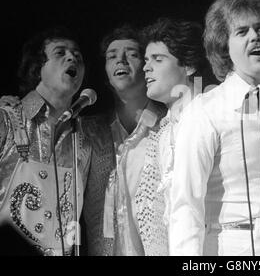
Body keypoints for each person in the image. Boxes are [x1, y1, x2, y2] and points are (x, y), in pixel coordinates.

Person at [169, 0, 260, 256]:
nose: (256, 36)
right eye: (242, 32)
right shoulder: (205, 111)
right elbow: (186, 205)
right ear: (224, 48)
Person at [0, 27, 92, 256]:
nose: (72, 58)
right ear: (36, 67)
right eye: (60, 53)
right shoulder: (6, 120)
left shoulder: (84, 141)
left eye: (78, 56)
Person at [83, 25, 166, 256]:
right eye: (112, 56)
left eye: (131, 53)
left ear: (147, 66)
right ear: (106, 74)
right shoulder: (89, 131)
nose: (120, 60)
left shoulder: (171, 125)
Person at [140, 17, 217, 254]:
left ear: (189, 65)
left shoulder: (210, 113)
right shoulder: (164, 134)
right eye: (145, 60)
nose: (146, 68)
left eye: (157, 59)